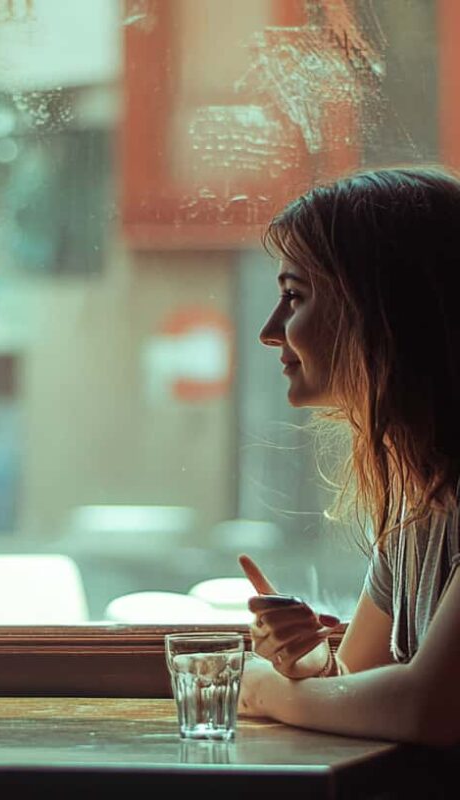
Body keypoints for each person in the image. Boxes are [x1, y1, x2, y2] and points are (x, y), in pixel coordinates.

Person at [237, 166, 460, 747]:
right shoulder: (421, 501)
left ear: (384, 312)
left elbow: (425, 709)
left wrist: (265, 688)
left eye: (293, 297)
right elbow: (361, 686)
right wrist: (310, 665)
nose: (269, 330)